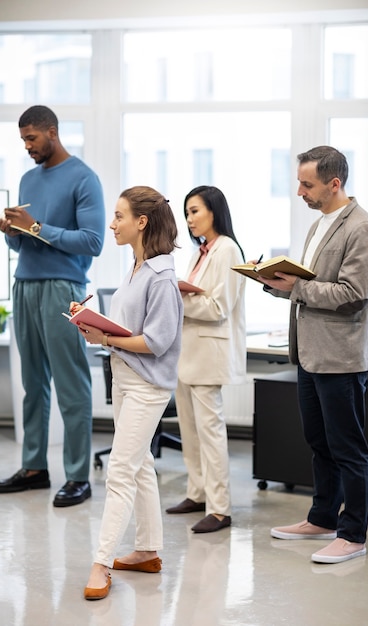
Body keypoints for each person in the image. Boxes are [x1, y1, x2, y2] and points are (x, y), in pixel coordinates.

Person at [257, 146, 368, 564]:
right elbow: (309, 287)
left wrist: (295, 287)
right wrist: (272, 281)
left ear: (334, 183)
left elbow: (353, 295)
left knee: (348, 448)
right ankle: (323, 518)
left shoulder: (361, 227)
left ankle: (353, 533)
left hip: (340, 358)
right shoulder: (319, 226)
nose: (299, 192)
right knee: (319, 443)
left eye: (306, 184)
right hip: (309, 355)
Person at [0, 105, 106, 507]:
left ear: (52, 133)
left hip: (63, 288)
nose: (27, 147)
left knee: (71, 384)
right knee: (32, 384)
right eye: (23, 140)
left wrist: (36, 227)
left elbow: (92, 242)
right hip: (25, 285)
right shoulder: (28, 178)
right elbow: (24, 243)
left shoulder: (84, 178)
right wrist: (12, 232)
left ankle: (78, 476)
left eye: (31, 139)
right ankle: (34, 467)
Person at [78, 186, 183, 600]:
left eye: (119, 216)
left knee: (120, 470)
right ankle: (147, 551)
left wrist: (108, 338)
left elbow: (157, 341)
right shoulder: (137, 268)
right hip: (124, 378)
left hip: (146, 385)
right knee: (138, 466)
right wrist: (95, 325)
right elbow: (125, 330)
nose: (111, 224)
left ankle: (100, 562)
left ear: (142, 222)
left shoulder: (161, 276)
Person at [166, 185, 246, 533]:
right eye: (187, 213)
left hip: (208, 355)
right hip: (188, 355)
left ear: (214, 210)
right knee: (191, 430)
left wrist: (175, 298)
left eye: (195, 211)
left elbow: (217, 307)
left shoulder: (227, 250)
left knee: (209, 433)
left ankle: (219, 508)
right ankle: (197, 493)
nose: (190, 219)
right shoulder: (201, 252)